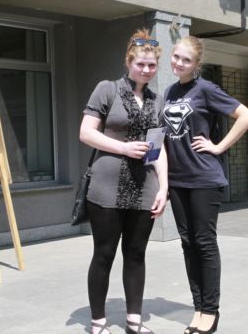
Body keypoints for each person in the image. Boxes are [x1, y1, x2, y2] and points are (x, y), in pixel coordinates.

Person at [162, 36, 248, 334]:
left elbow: (246, 116)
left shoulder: (205, 89)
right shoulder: (170, 91)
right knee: (188, 244)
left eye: (186, 60)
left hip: (203, 178)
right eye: (176, 56)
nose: (179, 63)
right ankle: (198, 307)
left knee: (204, 243)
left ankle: (211, 311)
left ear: (197, 64)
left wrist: (218, 146)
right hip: (178, 180)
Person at [79, 29, 168, 334]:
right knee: (104, 254)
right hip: (106, 187)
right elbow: (86, 133)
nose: (146, 69)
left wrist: (164, 187)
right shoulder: (107, 90)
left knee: (136, 254)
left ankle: (133, 321)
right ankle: (98, 322)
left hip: (144, 188)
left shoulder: (157, 101)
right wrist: (124, 148)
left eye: (152, 65)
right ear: (129, 62)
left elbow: (158, 149)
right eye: (140, 63)